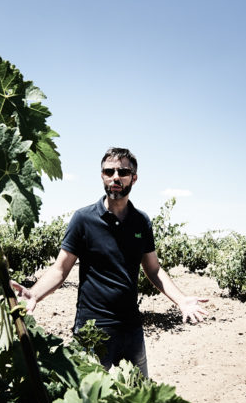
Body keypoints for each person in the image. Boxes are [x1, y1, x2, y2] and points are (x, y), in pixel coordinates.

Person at [11, 147, 208, 377]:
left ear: (134, 178)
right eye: (109, 171)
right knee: (89, 399)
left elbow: (154, 269)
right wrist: (34, 294)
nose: (116, 176)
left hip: (131, 328)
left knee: (137, 396)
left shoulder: (141, 222)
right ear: (102, 176)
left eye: (123, 171)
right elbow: (60, 269)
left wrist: (181, 300)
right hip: (92, 328)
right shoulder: (83, 219)